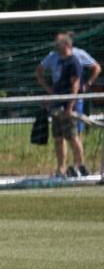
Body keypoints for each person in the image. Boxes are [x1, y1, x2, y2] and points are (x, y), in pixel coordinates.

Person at [34, 31, 99, 178]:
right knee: (58, 137)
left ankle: (80, 166)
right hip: (57, 105)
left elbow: (75, 85)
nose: (56, 46)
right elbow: (53, 80)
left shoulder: (74, 60)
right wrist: (51, 94)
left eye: (58, 43)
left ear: (67, 44)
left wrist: (70, 106)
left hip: (69, 106)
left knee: (73, 137)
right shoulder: (58, 59)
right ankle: (61, 169)